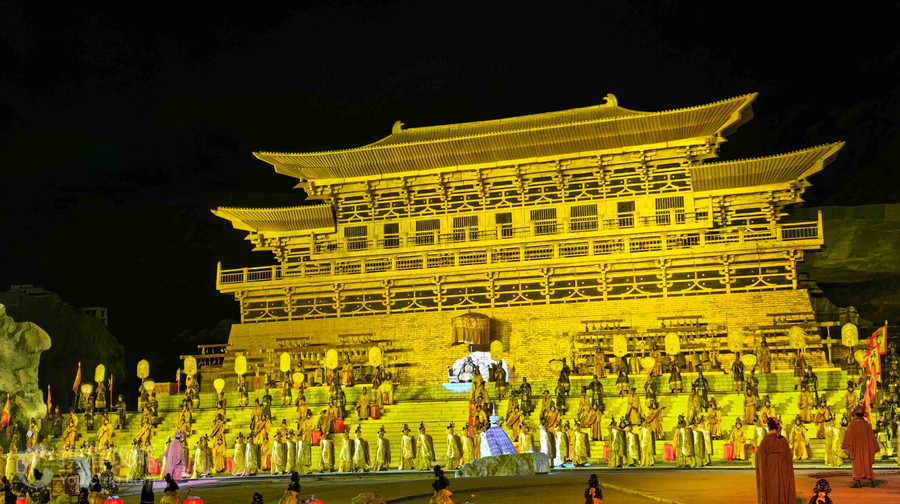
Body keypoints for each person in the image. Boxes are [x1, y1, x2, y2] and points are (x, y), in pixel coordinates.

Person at [755, 418, 797, 504]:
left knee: (772, 486)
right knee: (782, 485)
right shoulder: (783, 440)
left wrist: (756, 452)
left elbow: (760, 454)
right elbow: (788, 455)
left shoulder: (766, 440)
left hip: (770, 468)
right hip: (782, 468)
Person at [842, 406, 879, 487]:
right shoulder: (867, 425)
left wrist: (848, 447)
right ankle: (870, 482)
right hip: (866, 448)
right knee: (867, 463)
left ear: (855, 414)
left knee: (857, 464)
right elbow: (872, 438)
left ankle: (858, 482)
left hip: (856, 448)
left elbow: (848, 438)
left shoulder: (852, 425)